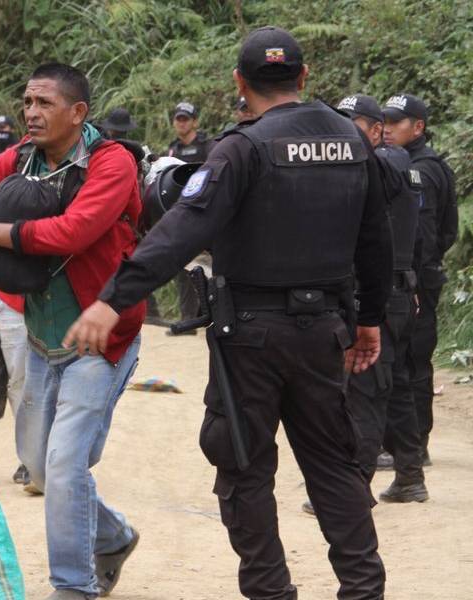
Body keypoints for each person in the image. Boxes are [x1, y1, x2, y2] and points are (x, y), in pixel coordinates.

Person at [65, 27, 393, 600]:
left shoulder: (242, 148)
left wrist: (111, 300)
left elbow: (178, 231)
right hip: (326, 333)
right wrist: (369, 319)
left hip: (252, 339)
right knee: (335, 467)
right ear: (304, 75)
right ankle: (364, 590)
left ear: (239, 83)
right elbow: (376, 240)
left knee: (243, 466)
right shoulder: (353, 141)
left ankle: (271, 592)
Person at [0, 62, 145, 600]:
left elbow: (74, 230)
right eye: (28, 101)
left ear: (78, 112)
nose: (31, 113)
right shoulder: (22, 158)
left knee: (65, 463)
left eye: (44, 104)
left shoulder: (111, 163)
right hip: (38, 336)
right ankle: (115, 536)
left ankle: (72, 587)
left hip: (101, 339)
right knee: (45, 469)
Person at [330, 94, 428, 505]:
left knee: (364, 391)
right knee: (396, 386)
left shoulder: (392, 160)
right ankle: (409, 475)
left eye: (352, 125)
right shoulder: (379, 164)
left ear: (375, 131)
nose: (341, 135)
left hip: (384, 295)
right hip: (396, 291)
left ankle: (355, 489)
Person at [383, 93, 458, 465]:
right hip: (417, 279)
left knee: (410, 363)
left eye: (397, 122)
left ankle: (412, 447)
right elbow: (450, 232)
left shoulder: (421, 170)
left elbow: (427, 235)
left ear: (418, 127)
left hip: (416, 283)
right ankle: (403, 444)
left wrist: (414, 278)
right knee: (406, 361)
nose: (388, 129)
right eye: (385, 121)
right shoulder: (410, 163)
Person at [166, 101, 216, 328]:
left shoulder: (208, 146)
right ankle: (189, 319)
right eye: (178, 118)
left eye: (186, 118)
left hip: (206, 212)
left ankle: (214, 316)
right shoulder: (172, 149)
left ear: (195, 121)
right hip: (180, 215)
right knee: (183, 270)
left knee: (211, 269)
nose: (181, 123)